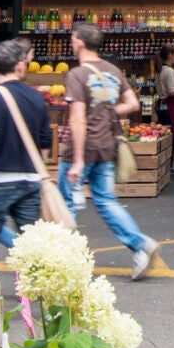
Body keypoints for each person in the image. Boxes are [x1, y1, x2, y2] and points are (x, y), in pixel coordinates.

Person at [62, 23, 159, 278]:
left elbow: (77, 118)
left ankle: (66, 262)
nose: (71, 42)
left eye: (73, 38)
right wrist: (108, 112)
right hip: (106, 145)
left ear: (80, 42)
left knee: (66, 204)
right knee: (106, 200)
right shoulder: (113, 70)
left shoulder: (77, 74)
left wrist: (78, 160)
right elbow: (133, 103)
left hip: (82, 148)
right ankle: (141, 244)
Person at [0, 38, 54, 295]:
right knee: (30, 245)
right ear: (20, 65)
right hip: (30, 180)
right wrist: (34, 165)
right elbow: (45, 142)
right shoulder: (36, 97)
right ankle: (37, 298)